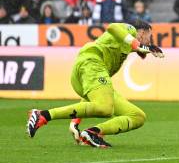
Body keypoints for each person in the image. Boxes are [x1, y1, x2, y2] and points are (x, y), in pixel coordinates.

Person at [26, 21, 164, 148]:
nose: (149, 40)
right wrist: (137, 44)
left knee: (137, 116)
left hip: (86, 76)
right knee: (105, 108)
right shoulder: (131, 30)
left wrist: (75, 122)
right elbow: (112, 27)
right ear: (142, 32)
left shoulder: (124, 47)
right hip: (91, 63)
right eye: (149, 36)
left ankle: (93, 133)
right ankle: (43, 115)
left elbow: (90, 97)